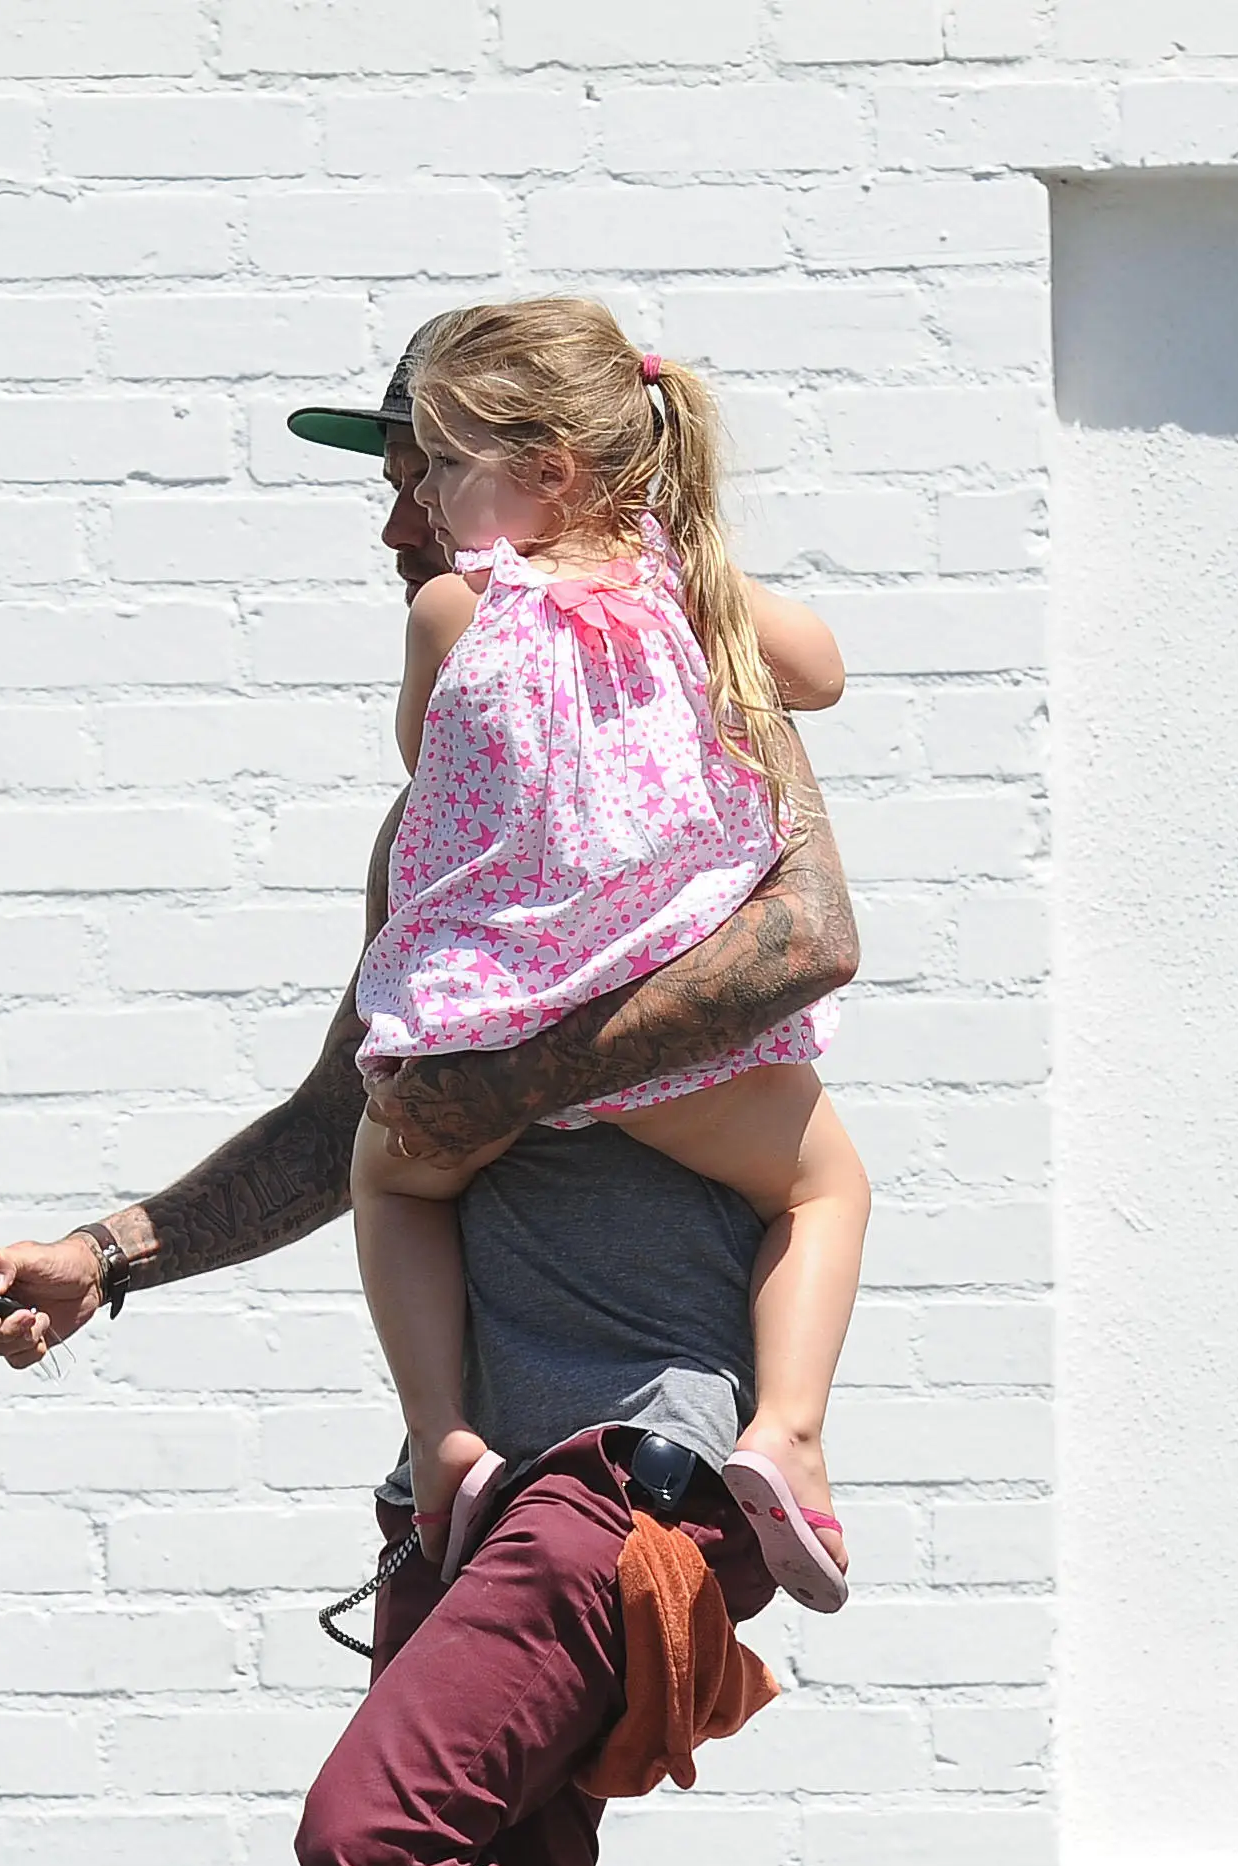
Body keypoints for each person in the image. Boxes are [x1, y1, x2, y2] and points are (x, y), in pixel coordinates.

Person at [0, 320, 867, 1866]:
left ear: (549, 467)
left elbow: (807, 944)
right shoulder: (454, 839)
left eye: (416, 468)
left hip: (635, 1454)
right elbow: (347, 1117)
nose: (391, 516)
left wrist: (497, 1083)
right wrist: (110, 1251)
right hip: (480, 1479)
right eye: (380, 474)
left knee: (377, 1837)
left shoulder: (703, 719)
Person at [354, 300, 869, 1616]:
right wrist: (696, 580)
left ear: (546, 468)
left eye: (443, 463)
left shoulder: (453, 611)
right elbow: (820, 673)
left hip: (477, 1034)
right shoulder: (690, 599)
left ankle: (442, 1440)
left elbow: (425, 762)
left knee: (393, 1183)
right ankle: (788, 1432)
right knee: (823, 1188)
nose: (424, 495)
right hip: (659, 1030)